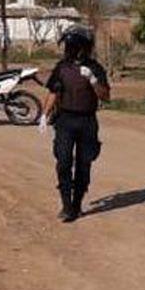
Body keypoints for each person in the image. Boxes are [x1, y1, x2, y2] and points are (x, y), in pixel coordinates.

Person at [39, 27, 110, 223]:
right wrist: (44, 115)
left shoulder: (95, 68)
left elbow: (106, 96)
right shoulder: (62, 68)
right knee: (63, 161)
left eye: (76, 46)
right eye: (70, 46)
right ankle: (66, 204)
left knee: (83, 164)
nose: (73, 50)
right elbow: (53, 92)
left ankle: (77, 203)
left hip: (87, 120)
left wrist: (93, 80)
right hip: (65, 120)